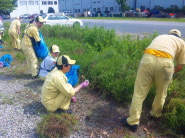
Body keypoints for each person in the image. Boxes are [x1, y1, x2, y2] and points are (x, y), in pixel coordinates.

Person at [121, 29, 185, 132]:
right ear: (178, 36)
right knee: (161, 93)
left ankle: (133, 122)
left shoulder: (160, 37)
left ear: (169, 34)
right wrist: (171, 72)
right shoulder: (181, 42)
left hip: (148, 59)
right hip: (166, 63)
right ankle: (155, 115)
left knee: (139, 93)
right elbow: (180, 66)